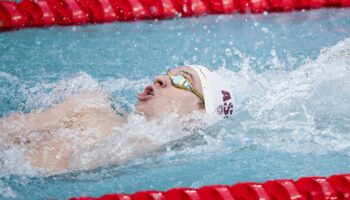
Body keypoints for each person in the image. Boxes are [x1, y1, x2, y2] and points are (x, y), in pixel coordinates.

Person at [0, 65, 234, 174]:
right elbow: (11, 129)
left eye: (181, 80)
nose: (161, 78)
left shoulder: (163, 152)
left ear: (200, 112)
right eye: (168, 72)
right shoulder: (89, 104)